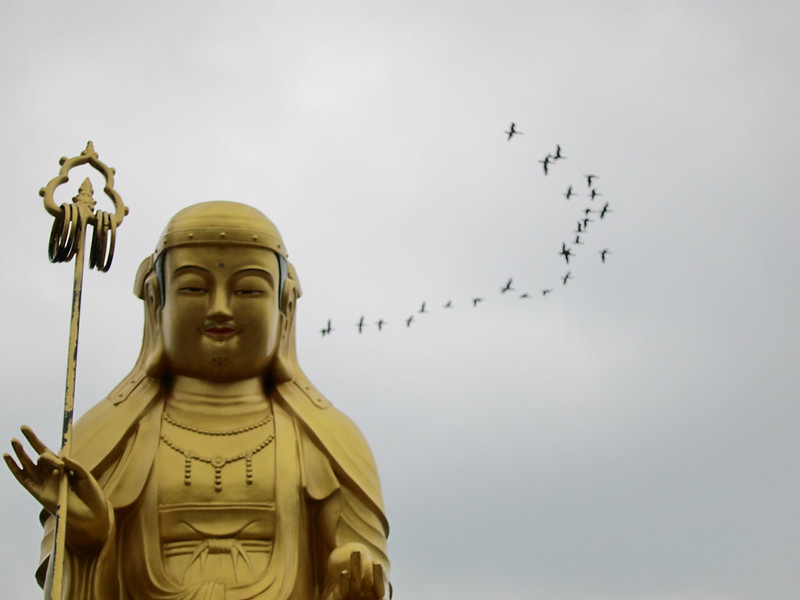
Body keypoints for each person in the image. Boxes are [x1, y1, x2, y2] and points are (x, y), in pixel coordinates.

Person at [5, 201, 390, 600]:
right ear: (157, 300)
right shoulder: (109, 436)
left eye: (247, 290)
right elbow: (65, 586)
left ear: (285, 306)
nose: (220, 308)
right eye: (193, 287)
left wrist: (353, 575)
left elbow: (360, 562)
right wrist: (85, 540)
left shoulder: (327, 439)